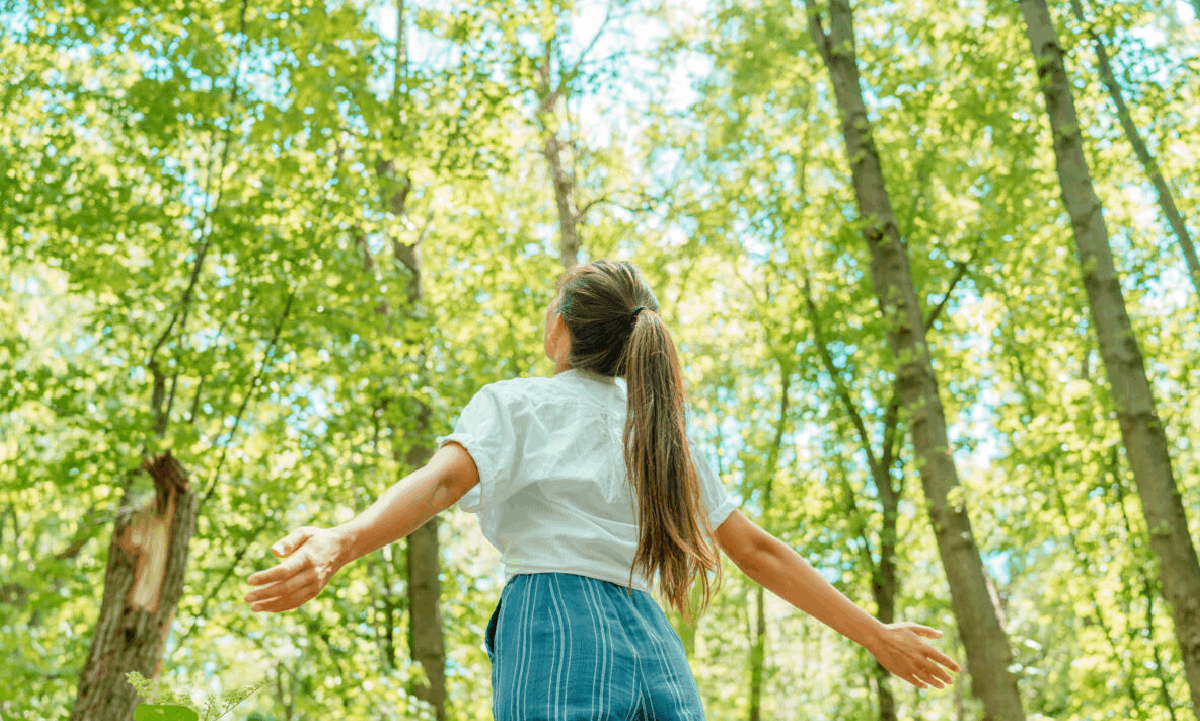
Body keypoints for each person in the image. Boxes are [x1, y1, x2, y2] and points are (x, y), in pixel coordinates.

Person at [244, 259, 961, 719]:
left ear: (560, 326)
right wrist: (876, 634)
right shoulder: (663, 433)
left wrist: (340, 541)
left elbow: (437, 488)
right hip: (652, 639)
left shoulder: (519, 402)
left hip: (554, 619)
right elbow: (756, 550)